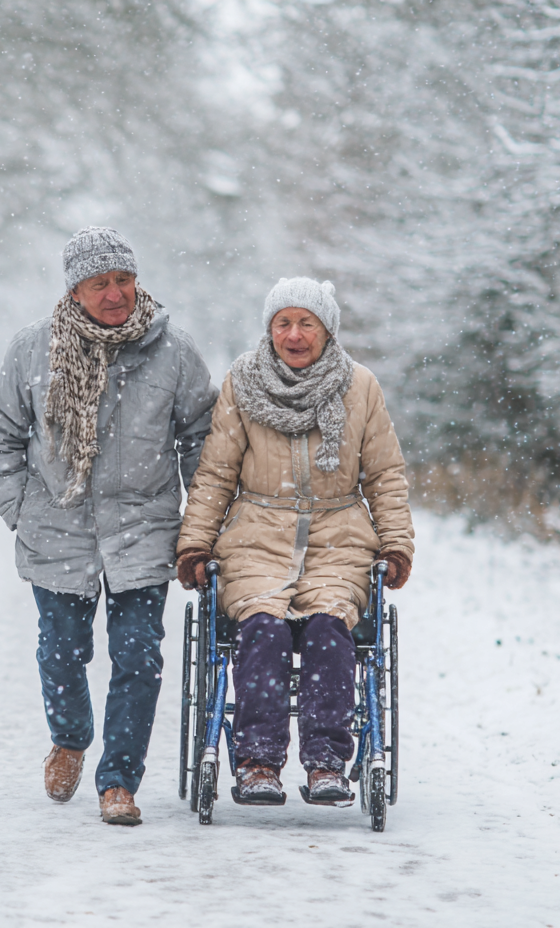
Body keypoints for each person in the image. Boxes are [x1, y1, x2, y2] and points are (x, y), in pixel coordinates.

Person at [0, 227, 218, 825]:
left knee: (138, 657)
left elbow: (203, 440)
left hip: (143, 526)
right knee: (62, 652)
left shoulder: (174, 351)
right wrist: (18, 508)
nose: (115, 294)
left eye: (123, 280)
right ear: (75, 290)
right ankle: (70, 736)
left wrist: (200, 522)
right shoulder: (33, 351)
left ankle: (119, 783)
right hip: (56, 526)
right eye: (99, 283)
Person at [175, 277, 414, 807]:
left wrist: (395, 543)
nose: (294, 334)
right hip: (257, 535)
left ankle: (327, 762)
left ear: (327, 330)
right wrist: (195, 545)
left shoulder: (360, 387)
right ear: (270, 329)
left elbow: (385, 475)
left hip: (339, 538)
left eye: (307, 322)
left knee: (331, 629)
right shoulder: (242, 382)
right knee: (262, 628)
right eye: (283, 322)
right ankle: (257, 761)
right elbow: (215, 474)